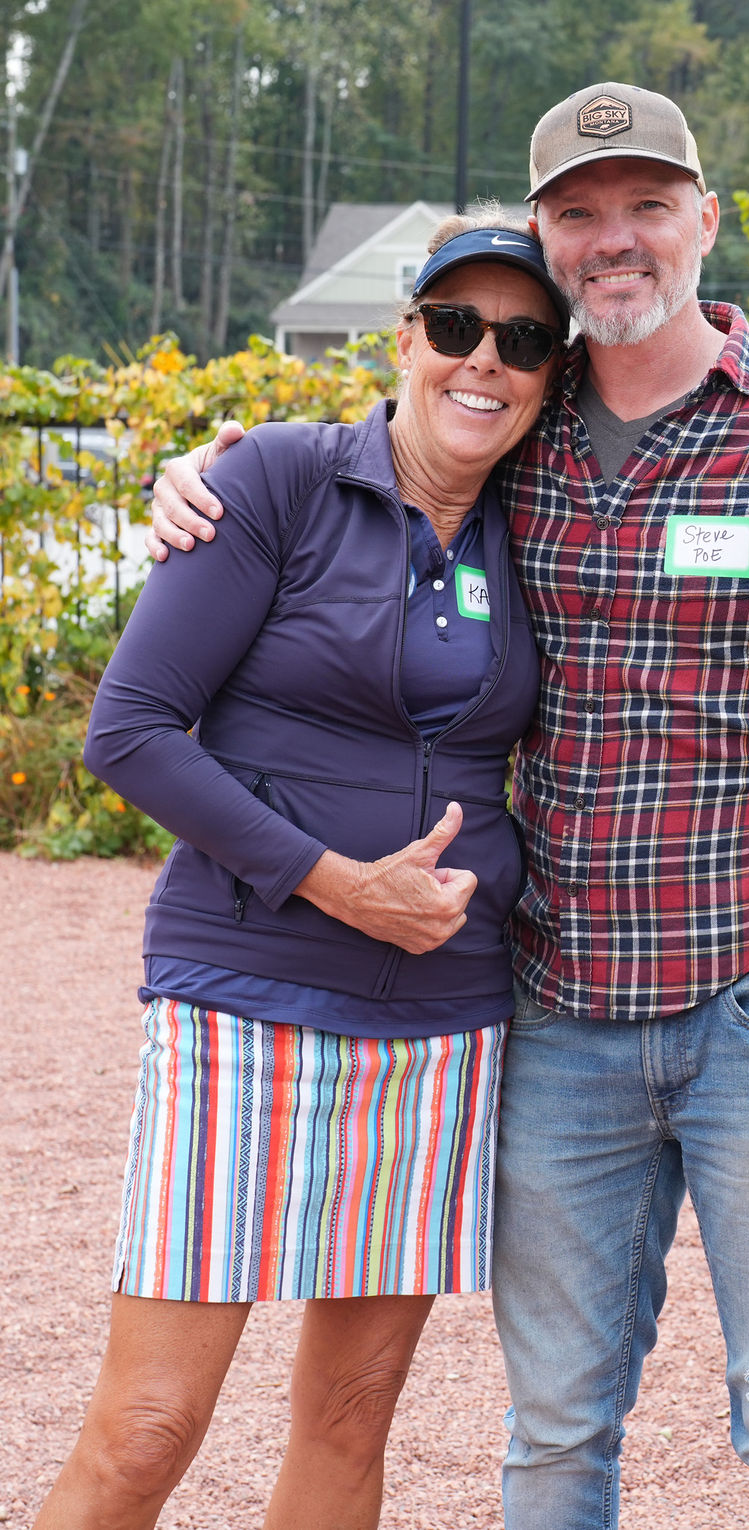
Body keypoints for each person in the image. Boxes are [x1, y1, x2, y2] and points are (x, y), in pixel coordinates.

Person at [143, 82, 749, 1530]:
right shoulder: (526, 416)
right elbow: (381, 447)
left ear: (705, 219)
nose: (615, 238)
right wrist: (205, 464)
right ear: (546, 235)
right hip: (561, 1011)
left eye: (648, 204)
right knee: (555, 1430)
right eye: (579, 213)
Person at [35, 220, 574, 1530]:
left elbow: (699, 647)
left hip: (443, 1022)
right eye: (456, 326)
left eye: (523, 340)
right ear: (404, 339)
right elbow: (130, 728)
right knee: (148, 1428)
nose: (484, 360)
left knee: (348, 1418)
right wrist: (335, 881)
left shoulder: (544, 529)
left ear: (552, 376)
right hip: (244, 997)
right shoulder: (277, 477)